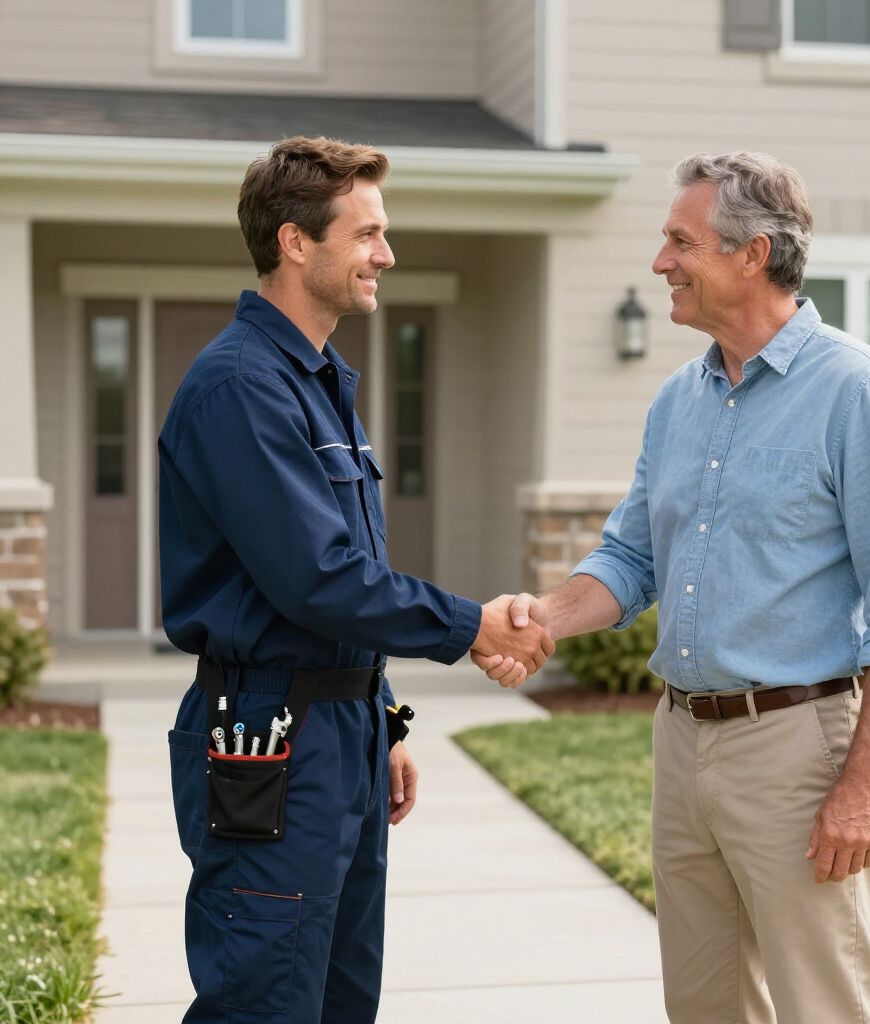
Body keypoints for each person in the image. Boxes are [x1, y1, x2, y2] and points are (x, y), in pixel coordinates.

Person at [476, 152, 870, 1023]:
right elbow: (629, 560)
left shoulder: (857, 392)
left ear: (752, 255)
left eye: (679, 242)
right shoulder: (677, 402)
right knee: (703, 1005)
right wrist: (540, 618)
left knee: (823, 1005)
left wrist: (863, 783)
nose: (661, 263)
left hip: (797, 747)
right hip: (682, 740)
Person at [159, 135, 553, 1024]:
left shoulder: (321, 379)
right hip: (268, 740)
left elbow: (335, 580)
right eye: (368, 232)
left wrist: (376, 716)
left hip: (337, 735)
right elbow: (317, 579)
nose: (388, 253)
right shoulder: (240, 387)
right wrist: (474, 627)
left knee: (339, 996)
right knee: (265, 999)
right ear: (296, 242)